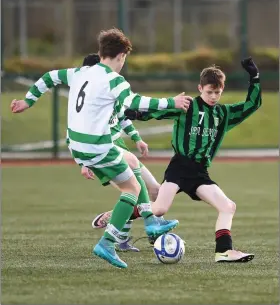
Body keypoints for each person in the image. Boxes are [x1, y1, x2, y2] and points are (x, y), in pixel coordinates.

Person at [11, 28, 191, 268]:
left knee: (133, 164)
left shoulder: (80, 72)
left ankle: (151, 222)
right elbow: (136, 102)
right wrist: (173, 102)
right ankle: (109, 242)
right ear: (121, 56)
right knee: (132, 189)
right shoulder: (113, 80)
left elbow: (49, 77)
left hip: (77, 145)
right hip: (97, 145)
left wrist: (27, 101)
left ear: (100, 52)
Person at [94, 57, 261, 263]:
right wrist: (137, 113)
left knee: (228, 206)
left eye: (218, 92)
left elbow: (252, 104)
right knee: (159, 209)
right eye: (209, 92)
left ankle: (224, 251)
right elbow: (161, 110)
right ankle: (115, 215)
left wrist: (254, 77)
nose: (214, 96)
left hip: (200, 173)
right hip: (180, 167)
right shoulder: (187, 106)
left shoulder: (223, 114)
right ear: (200, 88)